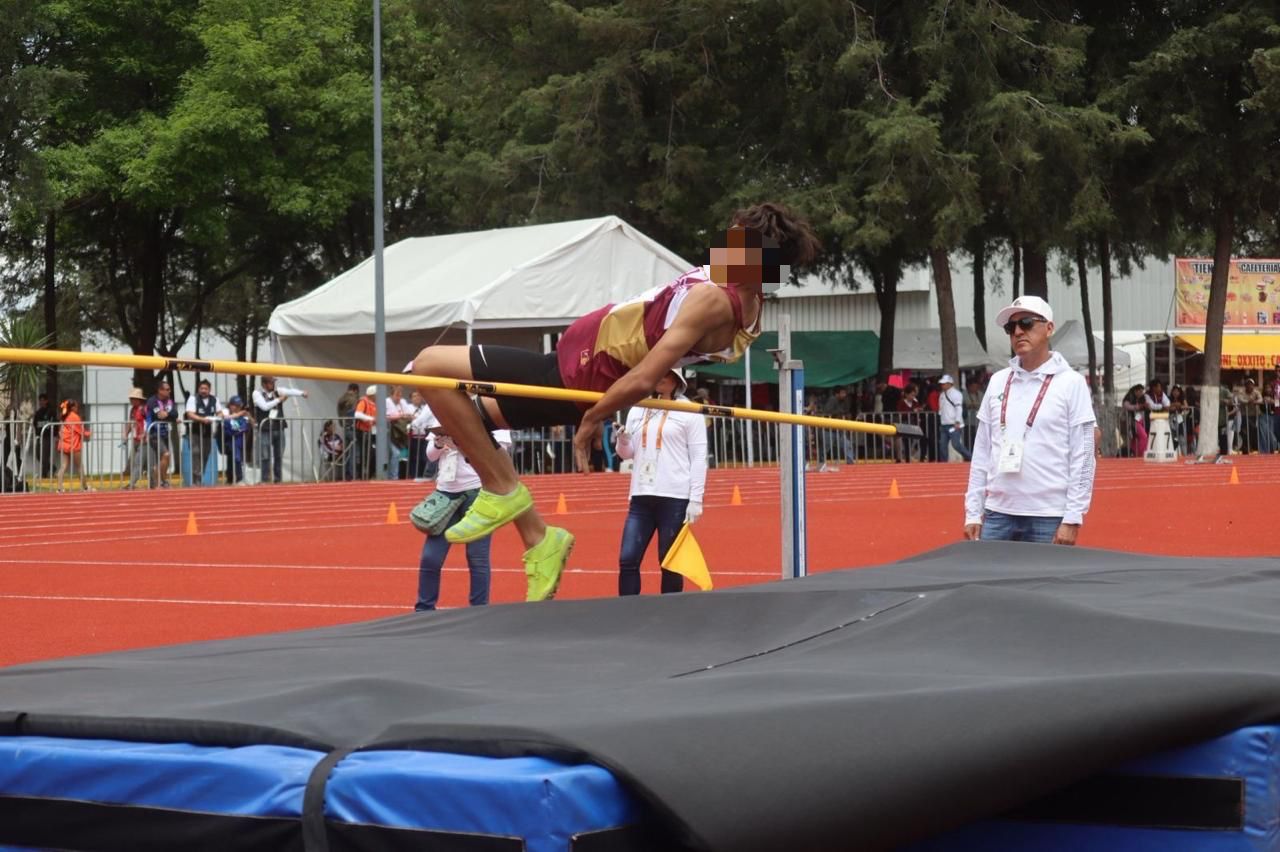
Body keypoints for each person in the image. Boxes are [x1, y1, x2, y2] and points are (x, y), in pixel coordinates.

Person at [409, 203, 820, 602]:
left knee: (428, 365)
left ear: (758, 263)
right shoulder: (745, 297)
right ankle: (538, 537)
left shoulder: (715, 302)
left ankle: (506, 496)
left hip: (576, 376)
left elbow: (645, 376)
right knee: (467, 423)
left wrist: (593, 420)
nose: (724, 245)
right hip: (574, 364)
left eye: (737, 242)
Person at [963, 296, 1096, 545]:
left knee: (1045, 574)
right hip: (997, 512)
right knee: (989, 573)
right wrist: (973, 511)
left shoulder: (1072, 383)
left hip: (1048, 515)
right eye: (1010, 327)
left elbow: (1084, 454)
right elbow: (982, 450)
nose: (1018, 332)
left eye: (1026, 322)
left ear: (1049, 328)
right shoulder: (998, 381)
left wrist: (1072, 518)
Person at [613, 369, 707, 595]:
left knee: (670, 563)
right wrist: (623, 440)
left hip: (674, 498)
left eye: (666, 374)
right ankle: (626, 610)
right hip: (641, 496)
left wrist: (696, 499)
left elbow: (699, 457)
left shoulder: (690, 411)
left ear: (677, 380)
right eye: (658, 373)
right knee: (628, 559)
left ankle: (670, 612)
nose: (660, 378)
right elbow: (627, 454)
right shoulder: (638, 408)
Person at [412, 418, 512, 611]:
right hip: (445, 493)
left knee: (477, 556)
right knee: (430, 557)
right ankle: (423, 609)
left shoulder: (490, 414)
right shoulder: (442, 412)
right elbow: (430, 456)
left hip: (479, 491)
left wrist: (460, 443)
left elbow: (499, 453)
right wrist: (438, 443)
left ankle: (479, 609)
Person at [252, 375, 307, 484]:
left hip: (279, 427)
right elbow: (265, 407)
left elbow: (290, 391)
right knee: (265, 456)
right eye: (271, 382)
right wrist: (279, 400)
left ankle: (278, 480)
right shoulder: (257, 393)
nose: (273, 384)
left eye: (273, 382)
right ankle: (265, 480)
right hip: (265, 429)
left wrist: (302, 393)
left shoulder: (277, 391)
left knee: (279, 455)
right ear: (264, 384)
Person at [185, 379, 225, 486]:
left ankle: (199, 478)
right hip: (195, 431)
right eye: (201, 388)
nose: (203, 390)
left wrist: (217, 417)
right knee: (196, 453)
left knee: (205, 455)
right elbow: (190, 414)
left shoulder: (214, 399)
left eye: (206, 389)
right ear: (198, 389)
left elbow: (220, 412)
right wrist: (202, 419)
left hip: (208, 432)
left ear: (209, 390)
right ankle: (196, 480)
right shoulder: (193, 399)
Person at [144, 380, 176, 488]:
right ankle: (159, 480)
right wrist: (168, 415)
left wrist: (168, 414)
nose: (169, 391)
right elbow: (159, 415)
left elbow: (175, 414)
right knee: (166, 455)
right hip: (154, 433)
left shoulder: (170, 401)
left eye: (169, 389)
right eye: (167, 389)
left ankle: (159, 481)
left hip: (165, 433)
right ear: (160, 390)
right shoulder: (152, 401)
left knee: (164, 459)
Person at [56, 399, 90, 492]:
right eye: (76, 406)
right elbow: (80, 430)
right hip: (73, 444)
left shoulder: (63, 416)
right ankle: (85, 487)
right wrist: (89, 433)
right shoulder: (74, 417)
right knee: (80, 466)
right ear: (72, 407)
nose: (77, 408)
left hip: (64, 444)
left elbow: (60, 430)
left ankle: (59, 488)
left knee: (63, 466)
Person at [937, 374, 971, 462]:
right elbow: (941, 409)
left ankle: (970, 458)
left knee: (956, 444)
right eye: (942, 384)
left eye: (944, 383)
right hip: (944, 424)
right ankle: (944, 463)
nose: (942, 385)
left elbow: (959, 408)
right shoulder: (942, 395)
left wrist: (957, 421)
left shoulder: (956, 394)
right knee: (942, 445)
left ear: (949, 384)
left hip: (953, 424)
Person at [221, 396, 253, 485]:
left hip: (240, 441)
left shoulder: (243, 415)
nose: (237, 408)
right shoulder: (226, 412)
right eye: (235, 405)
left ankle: (235, 478)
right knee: (234, 458)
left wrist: (248, 416)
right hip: (230, 441)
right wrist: (238, 419)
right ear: (230, 405)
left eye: (239, 406)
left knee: (237, 459)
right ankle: (236, 478)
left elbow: (249, 424)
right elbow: (230, 426)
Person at [386, 385, 415, 479]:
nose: (399, 397)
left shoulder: (402, 402)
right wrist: (400, 416)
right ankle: (393, 476)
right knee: (395, 453)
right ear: (392, 395)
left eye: (400, 394)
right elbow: (386, 416)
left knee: (400, 454)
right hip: (390, 432)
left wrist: (402, 416)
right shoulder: (387, 401)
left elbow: (409, 414)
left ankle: (396, 475)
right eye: (397, 395)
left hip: (400, 433)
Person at [406, 391, 436, 481]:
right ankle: (432, 474)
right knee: (433, 453)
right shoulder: (434, 404)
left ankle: (429, 475)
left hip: (431, 430)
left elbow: (422, 418)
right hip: (432, 429)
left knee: (430, 453)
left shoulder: (430, 405)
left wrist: (412, 425)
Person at [123, 388, 148, 489]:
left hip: (144, 440)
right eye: (131, 398)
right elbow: (130, 423)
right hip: (135, 439)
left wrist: (145, 434)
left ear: (139, 399)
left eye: (133, 398)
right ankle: (154, 483)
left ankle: (132, 484)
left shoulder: (144, 409)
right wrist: (125, 434)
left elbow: (149, 422)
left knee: (138, 461)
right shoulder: (132, 410)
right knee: (135, 462)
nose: (131, 400)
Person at [353, 385, 378, 478]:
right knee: (365, 454)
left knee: (370, 454)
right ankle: (361, 475)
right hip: (362, 431)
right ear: (373, 394)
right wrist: (371, 419)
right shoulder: (363, 401)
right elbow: (357, 414)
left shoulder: (374, 404)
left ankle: (368, 475)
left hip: (370, 431)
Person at [336, 382, 360, 480]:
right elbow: (355, 412)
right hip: (352, 427)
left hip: (345, 427)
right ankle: (352, 474)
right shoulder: (353, 399)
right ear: (355, 390)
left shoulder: (341, 398)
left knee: (346, 452)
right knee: (354, 452)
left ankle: (346, 474)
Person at [32, 393, 57, 479]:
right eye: (40, 400)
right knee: (38, 455)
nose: (41, 402)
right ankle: (52, 468)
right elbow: (35, 424)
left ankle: (44, 474)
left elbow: (55, 423)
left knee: (45, 456)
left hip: (47, 436)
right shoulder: (38, 412)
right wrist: (36, 434)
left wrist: (55, 435)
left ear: (46, 401)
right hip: (39, 436)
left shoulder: (51, 411)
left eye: (43, 400)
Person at [1122, 384, 1148, 457]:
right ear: (1135, 391)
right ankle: (1140, 454)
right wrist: (1138, 407)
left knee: (1135, 439)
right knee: (1144, 436)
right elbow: (1126, 406)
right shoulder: (1129, 397)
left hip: (1140, 420)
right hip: (1132, 421)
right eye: (1140, 391)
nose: (1141, 393)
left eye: (1142, 391)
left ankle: (1133, 453)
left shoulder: (1142, 398)